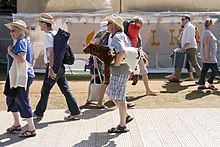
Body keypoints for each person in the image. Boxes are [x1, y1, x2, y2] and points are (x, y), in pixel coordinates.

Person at [33, 13, 81, 121]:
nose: (40, 25)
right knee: (65, 90)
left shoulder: (48, 35)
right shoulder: (55, 33)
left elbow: (51, 52)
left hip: (53, 67)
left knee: (45, 91)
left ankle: (39, 113)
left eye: (40, 23)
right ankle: (75, 112)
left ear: (45, 24)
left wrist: (50, 68)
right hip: (60, 66)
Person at [4, 20, 36, 137]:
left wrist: (10, 52)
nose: (11, 33)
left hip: (21, 77)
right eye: (10, 31)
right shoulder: (22, 42)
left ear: (21, 31)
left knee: (22, 100)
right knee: (11, 99)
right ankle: (17, 124)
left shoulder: (21, 42)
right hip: (15, 76)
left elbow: (21, 59)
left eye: (13, 31)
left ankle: (31, 129)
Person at [105, 14, 134, 133]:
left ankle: (122, 124)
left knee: (118, 96)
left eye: (109, 23)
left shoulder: (117, 36)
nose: (107, 25)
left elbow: (122, 51)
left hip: (120, 69)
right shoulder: (122, 35)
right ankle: (125, 116)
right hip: (124, 68)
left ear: (114, 25)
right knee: (113, 93)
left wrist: (116, 63)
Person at [169, 15, 201, 82]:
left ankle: (202, 78)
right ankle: (176, 77)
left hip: (190, 48)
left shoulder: (190, 27)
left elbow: (190, 39)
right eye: (182, 19)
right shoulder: (186, 27)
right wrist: (182, 43)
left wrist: (183, 47)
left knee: (194, 63)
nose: (182, 21)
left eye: (183, 19)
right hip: (187, 47)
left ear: (187, 19)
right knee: (180, 62)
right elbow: (187, 39)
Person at [129, 16, 157, 94]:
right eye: (140, 23)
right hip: (134, 53)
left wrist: (142, 52)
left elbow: (138, 45)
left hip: (136, 53)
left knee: (143, 71)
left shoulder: (135, 32)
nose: (141, 25)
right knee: (141, 71)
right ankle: (147, 89)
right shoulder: (134, 32)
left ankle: (148, 89)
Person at [85, 21, 107, 108]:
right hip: (96, 61)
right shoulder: (99, 36)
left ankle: (93, 98)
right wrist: (95, 62)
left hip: (100, 61)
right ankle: (90, 99)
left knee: (97, 79)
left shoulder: (103, 35)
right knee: (94, 79)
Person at [197, 19, 218, 90]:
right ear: (209, 24)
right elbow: (206, 44)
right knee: (215, 70)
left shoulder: (204, 31)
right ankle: (210, 83)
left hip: (206, 54)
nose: (213, 25)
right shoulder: (208, 33)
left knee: (204, 69)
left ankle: (201, 84)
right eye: (212, 24)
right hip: (209, 55)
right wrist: (206, 55)